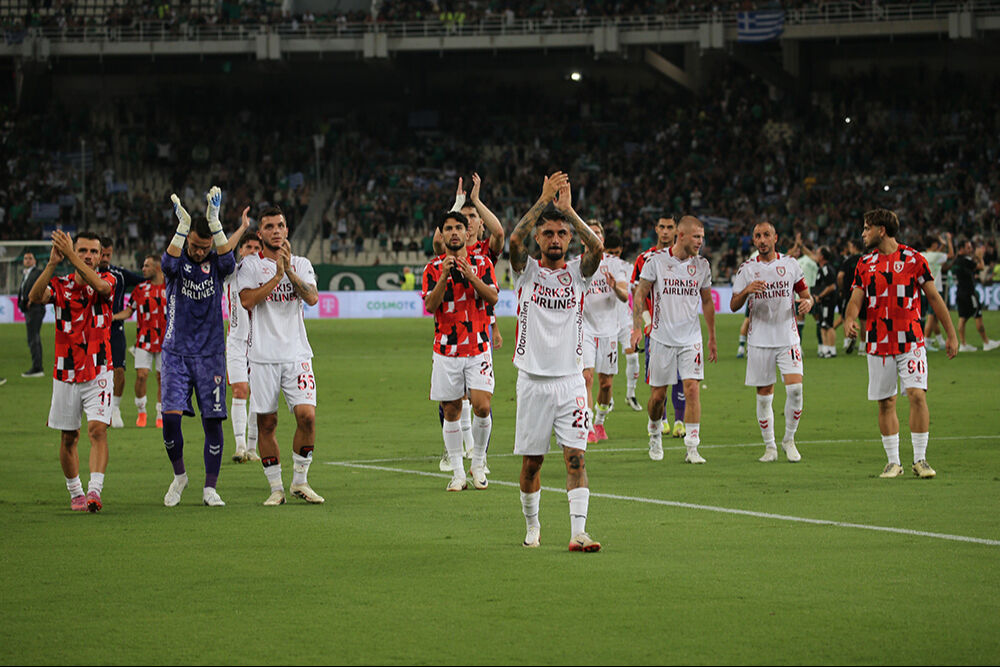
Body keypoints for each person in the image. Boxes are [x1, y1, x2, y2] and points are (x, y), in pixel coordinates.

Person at [509, 171, 603, 552]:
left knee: (576, 458)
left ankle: (578, 532)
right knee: (532, 464)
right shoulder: (525, 272)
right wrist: (542, 201)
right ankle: (532, 524)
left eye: (561, 234)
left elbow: (596, 247)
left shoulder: (579, 274)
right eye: (547, 233)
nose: (554, 239)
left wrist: (568, 211)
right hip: (533, 381)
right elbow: (514, 239)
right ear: (538, 238)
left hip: (570, 382)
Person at [843, 209, 958, 479]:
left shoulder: (913, 259)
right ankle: (893, 461)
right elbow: (855, 299)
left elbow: (934, 298)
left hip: (911, 339)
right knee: (886, 402)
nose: (863, 233)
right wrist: (849, 318)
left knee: (917, 395)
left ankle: (920, 459)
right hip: (877, 341)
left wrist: (950, 333)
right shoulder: (865, 264)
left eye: (867, 228)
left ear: (881, 230)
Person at [161, 187, 247, 508]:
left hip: (210, 355)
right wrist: (182, 227)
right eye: (195, 247)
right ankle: (180, 475)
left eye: (204, 246)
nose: (199, 252)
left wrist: (215, 221)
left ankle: (210, 487)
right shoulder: (176, 261)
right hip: (175, 354)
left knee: (212, 422)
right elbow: (166, 262)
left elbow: (227, 258)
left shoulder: (218, 262)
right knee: (170, 420)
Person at [238, 205, 323, 506]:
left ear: (287, 230)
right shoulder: (249, 266)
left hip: (297, 354)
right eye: (269, 226)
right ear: (259, 233)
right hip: (262, 357)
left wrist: (287, 271)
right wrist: (275, 277)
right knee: (267, 423)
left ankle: (300, 481)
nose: (276, 230)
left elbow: (312, 298)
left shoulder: (300, 263)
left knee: (307, 417)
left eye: (280, 225)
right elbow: (247, 300)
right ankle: (276, 488)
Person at [28, 230, 114, 512]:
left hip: (100, 368)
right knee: (68, 437)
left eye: (93, 252)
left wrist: (72, 257)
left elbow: (100, 288)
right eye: (82, 250)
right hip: (66, 371)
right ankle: (75, 491)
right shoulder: (61, 286)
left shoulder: (108, 280)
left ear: (101, 256)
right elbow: (35, 296)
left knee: (97, 429)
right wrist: (53, 263)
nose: (88, 256)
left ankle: (95, 491)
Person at [422, 210, 498, 491]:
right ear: (441, 235)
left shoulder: (483, 263)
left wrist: (471, 276)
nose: (453, 233)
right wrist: (444, 277)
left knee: (482, 405)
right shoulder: (432, 268)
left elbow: (493, 297)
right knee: (451, 409)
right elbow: (430, 306)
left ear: (468, 233)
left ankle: (478, 462)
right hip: (446, 349)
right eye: (448, 229)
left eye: (458, 228)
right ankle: (457, 472)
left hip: (478, 346)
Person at [632, 215, 717, 464]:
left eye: (702, 237)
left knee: (692, 388)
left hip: (691, 339)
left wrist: (711, 337)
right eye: (697, 236)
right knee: (658, 396)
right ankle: (654, 431)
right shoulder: (656, 262)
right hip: (661, 338)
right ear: (682, 235)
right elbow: (640, 295)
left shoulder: (702, 265)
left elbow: (708, 301)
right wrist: (638, 327)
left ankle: (692, 447)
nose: (701, 241)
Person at [435, 174, 504, 470]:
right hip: (450, 330)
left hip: (479, 330)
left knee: (478, 397)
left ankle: (476, 452)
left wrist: (475, 201)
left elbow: (500, 232)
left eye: (472, 217)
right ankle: (457, 450)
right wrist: (458, 203)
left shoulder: (485, 253)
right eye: (463, 218)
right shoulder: (449, 250)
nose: (469, 220)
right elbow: (439, 239)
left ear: (478, 223)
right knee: (452, 398)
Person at [730, 222, 814, 463]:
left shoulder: (790, 264)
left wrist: (808, 303)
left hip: (787, 338)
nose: (762, 240)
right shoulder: (746, 269)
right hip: (759, 340)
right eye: (758, 236)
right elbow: (734, 305)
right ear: (754, 241)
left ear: (775, 238)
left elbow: (806, 296)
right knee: (764, 395)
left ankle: (789, 439)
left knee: (796, 391)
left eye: (766, 235)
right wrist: (746, 291)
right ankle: (770, 447)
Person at [630, 216, 686, 434]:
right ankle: (662, 419)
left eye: (669, 227)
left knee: (681, 376)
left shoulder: (686, 258)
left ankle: (680, 421)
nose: (665, 231)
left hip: (680, 328)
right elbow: (639, 295)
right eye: (661, 227)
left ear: (676, 231)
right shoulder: (644, 259)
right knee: (658, 376)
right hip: (654, 328)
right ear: (656, 229)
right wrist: (644, 323)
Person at [578, 220, 629, 442]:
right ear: (582, 239)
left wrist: (614, 286)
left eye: (598, 233)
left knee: (606, 383)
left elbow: (625, 296)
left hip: (609, 330)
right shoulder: (575, 265)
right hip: (585, 329)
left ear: (602, 238)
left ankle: (599, 421)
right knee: (587, 378)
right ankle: (588, 426)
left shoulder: (615, 265)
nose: (594, 236)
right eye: (590, 233)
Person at [112, 255, 166, 428]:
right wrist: (111, 317)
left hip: (165, 341)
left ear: (157, 268)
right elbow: (129, 312)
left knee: (161, 378)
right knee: (141, 376)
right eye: (143, 265)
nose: (143, 269)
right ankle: (141, 411)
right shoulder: (140, 289)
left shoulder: (171, 287)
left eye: (147, 266)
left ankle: (160, 413)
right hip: (144, 339)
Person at [98, 238, 143, 428]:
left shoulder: (120, 275)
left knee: (119, 370)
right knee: (97, 372)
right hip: (94, 329)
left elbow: (144, 280)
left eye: (109, 254)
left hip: (115, 329)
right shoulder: (86, 274)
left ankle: (115, 408)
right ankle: (101, 409)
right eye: (103, 254)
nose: (106, 258)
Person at [226, 230, 262, 463]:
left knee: (259, 397)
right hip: (236, 343)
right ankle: (239, 445)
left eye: (257, 248)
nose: (253, 252)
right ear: (241, 250)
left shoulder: (266, 273)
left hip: (261, 343)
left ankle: (252, 448)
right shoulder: (232, 272)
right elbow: (223, 251)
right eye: (248, 247)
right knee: (240, 391)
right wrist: (241, 228)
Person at [603, 233, 641, 411]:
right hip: (605, 323)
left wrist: (639, 322)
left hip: (625, 322)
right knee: (606, 366)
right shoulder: (598, 267)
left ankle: (630, 395)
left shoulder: (629, 268)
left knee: (633, 357)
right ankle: (607, 398)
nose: (614, 256)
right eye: (610, 252)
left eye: (617, 252)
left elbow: (638, 295)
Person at [948, 238, 1000, 352]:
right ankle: (986, 343)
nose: (970, 249)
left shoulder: (957, 260)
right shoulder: (965, 260)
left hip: (960, 292)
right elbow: (981, 267)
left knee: (962, 318)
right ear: (961, 249)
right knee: (978, 315)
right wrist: (980, 256)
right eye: (968, 247)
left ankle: (963, 344)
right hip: (969, 293)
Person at [920, 233, 953, 351]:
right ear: (934, 244)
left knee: (931, 318)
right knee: (931, 317)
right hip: (934, 290)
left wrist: (942, 245)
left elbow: (937, 254)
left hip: (922, 290)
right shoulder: (936, 256)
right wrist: (948, 241)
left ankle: (939, 341)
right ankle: (926, 341)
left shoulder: (921, 255)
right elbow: (950, 255)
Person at [18, 251, 46, 378]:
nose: (27, 260)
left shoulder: (37, 273)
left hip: (36, 309)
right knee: (33, 337)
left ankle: (37, 367)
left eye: (30, 258)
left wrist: (31, 300)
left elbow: (40, 287)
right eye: (25, 258)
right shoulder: (26, 274)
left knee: (33, 337)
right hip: (30, 310)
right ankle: (37, 366)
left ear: (35, 261)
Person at [837, 239, 863, 353]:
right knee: (864, 320)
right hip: (864, 292)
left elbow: (840, 276)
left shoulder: (848, 261)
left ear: (854, 247)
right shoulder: (866, 260)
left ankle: (847, 340)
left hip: (850, 292)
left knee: (846, 317)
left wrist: (841, 289)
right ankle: (863, 346)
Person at [813, 247, 838, 358]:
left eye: (817, 253)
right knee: (823, 325)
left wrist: (820, 296)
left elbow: (832, 286)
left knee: (828, 324)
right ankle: (826, 349)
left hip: (828, 301)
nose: (816, 255)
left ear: (822, 256)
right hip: (823, 301)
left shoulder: (826, 269)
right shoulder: (821, 269)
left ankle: (832, 350)